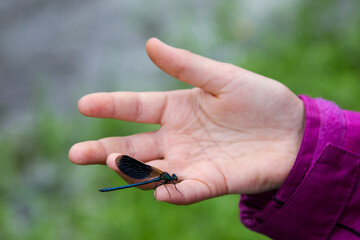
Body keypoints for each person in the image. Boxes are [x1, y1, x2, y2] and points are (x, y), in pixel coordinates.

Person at [69, 38, 360, 239]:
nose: (173, 179)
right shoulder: (166, 177)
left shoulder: (168, 178)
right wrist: (301, 136)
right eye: (172, 178)